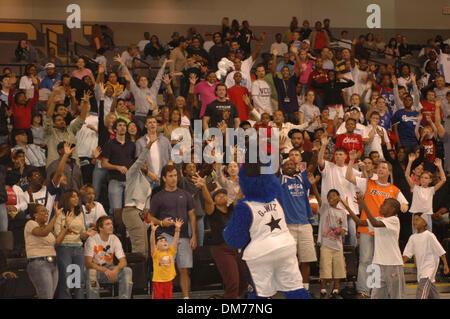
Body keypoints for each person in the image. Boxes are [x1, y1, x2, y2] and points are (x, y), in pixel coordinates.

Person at [346, 150, 409, 298]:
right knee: (366, 260)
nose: (380, 169)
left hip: (384, 230)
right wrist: (351, 161)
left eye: (383, 168)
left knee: (378, 262)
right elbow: (348, 177)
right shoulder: (368, 183)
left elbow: (405, 204)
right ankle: (364, 291)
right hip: (367, 226)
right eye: (378, 167)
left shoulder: (394, 189)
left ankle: (376, 291)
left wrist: (403, 207)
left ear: (389, 171)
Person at [194, 174, 247, 299]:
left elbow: (239, 195)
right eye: (218, 195)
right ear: (214, 201)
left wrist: (245, 179)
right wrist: (203, 187)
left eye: (224, 194)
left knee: (244, 282)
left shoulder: (232, 209)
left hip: (237, 249)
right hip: (222, 250)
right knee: (233, 282)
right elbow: (207, 200)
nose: (222, 195)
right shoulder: (212, 211)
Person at [148, 164, 197, 299]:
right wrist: (162, 222)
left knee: (184, 269)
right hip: (165, 236)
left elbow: (192, 215)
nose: (173, 179)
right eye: (170, 176)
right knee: (164, 268)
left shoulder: (185, 194)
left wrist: (194, 235)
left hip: (184, 236)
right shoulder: (158, 196)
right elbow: (150, 217)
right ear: (164, 178)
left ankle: (186, 298)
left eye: (175, 175)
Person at [349, 194, 406, 299]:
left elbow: (375, 223)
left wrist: (364, 205)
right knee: (375, 296)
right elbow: (359, 222)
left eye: (384, 204)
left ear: (392, 209)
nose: (381, 206)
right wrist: (347, 207)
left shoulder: (394, 220)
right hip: (377, 265)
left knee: (396, 296)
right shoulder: (379, 219)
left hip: (392, 264)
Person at [278, 159, 316, 293]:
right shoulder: (281, 179)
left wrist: (317, 151)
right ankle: (291, 289)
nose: (289, 166)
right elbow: (275, 169)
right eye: (286, 165)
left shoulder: (301, 178)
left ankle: (305, 289)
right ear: (282, 167)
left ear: (296, 167)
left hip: (305, 224)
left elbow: (312, 167)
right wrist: (279, 151)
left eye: (291, 165)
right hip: (288, 225)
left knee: (306, 260)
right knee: (289, 260)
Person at [115, 55, 168, 130]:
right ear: (138, 83)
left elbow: (158, 79)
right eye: (141, 80)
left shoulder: (153, 90)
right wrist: (123, 64)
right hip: (140, 117)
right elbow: (130, 78)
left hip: (152, 116)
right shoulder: (136, 90)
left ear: (147, 82)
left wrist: (164, 65)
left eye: (145, 80)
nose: (143, 81)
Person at [85, 216, 133, 299]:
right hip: (97, 272)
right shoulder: (92, 239)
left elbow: (123, 261)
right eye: (107, 224)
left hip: (110, 272)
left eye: (111, 224)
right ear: (100, 228)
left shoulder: (114, 239)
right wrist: (104, 270)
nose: (111, 226)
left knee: (127, 271)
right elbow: (88, 263)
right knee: (91, 273)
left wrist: (116, 269)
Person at [123, 137, 156, 258]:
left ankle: (143, 275)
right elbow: (140, 160)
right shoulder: (131, 174)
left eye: (146, 163)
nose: (145, 164)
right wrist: (149, 145)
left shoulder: (146, 181)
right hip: (131, 211)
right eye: (143, 162)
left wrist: (147, 208)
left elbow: (148, 197)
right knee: (139, 247)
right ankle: (135, 275)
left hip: (140, 214)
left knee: (146, 248)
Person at [403, 214, 449, 299]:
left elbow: (440, 250)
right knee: (432, 292)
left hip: (429, 267)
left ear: (424, 223)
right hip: (421, 268)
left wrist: (445, 264)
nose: (414, 222)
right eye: (414, 220)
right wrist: (400, 264)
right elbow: (407, 254)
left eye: (417, 220)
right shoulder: (412, 238)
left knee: (421, 290)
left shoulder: (429, 235)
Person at [24, 203, 65, 298]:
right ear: (35, 215)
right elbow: (43, 233)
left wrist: (66, 228)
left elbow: (57, 241)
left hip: (53, 264)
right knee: (46, 296)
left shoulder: (48, 228)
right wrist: (55, 216)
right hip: (39, 263)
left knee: (49, 296)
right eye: (42, 211)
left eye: (47, 211)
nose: (46, 213)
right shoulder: (30, 224)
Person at [44, 84, 89, 167]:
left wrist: (85, 103)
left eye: (63, 120)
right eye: (58, 120)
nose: (62, 122)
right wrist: (53, 102)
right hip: (55, 166)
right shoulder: (50, 132)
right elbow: (48, 118)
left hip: (73, 166)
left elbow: (81, 120)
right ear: (53, 123)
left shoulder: (70, 129)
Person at [318, 190, 348, 299]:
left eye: (334, 195)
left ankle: (336, 289)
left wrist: (339, 231)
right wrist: (313, 186)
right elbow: (317, 197)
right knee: (325, 266)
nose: (331, 198)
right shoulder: (325, 208)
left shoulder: (343, 212)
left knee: (339, 267)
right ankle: (323, 289)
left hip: (338, 245)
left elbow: (344, 230)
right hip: (326, 244)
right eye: (329, 196)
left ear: (339, 197)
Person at [102, 118, 136, 215]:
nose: (122, 128)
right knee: (116, 210)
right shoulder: (110, 144)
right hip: (115, 180)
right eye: (120, 125)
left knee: (129, 211)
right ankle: (114, 229)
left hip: (129, 181)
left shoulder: (132, 144)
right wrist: (118, 167)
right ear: (115, 129)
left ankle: (127, 230)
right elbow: (104, 163)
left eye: (124, 126)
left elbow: (134, 161)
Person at [405, 155, 446, 232]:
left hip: (427, 215)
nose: (423, 179)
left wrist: (440, 166)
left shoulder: (431, 190)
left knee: (428, 235)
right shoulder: (415, 188)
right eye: (422, 177)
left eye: (426, 178)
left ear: (430, 180)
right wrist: (410, 162)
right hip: (416, 214)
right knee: (416, 235)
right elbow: (407, 175)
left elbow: (443, 180)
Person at [149, 218, 184, 299]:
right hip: (158, 282)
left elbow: (175, 240)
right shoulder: (156, 253)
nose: (164, 242)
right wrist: (153, 231)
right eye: (161, 241)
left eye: (165, 241)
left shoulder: (170, 251)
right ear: (157, 246)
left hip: (168, 281)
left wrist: (177, 229)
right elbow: (152, 243)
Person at [135, 116, 172, 190]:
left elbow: (172, 157)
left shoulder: (165, 140)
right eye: (150, 122)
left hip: (163, 180)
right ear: (145, 125)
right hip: (147, 180)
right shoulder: (140, 142)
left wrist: (168, 169)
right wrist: (149, 174)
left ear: (157, 125)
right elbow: (138, 162)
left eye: (154, 122)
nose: (152, 124)